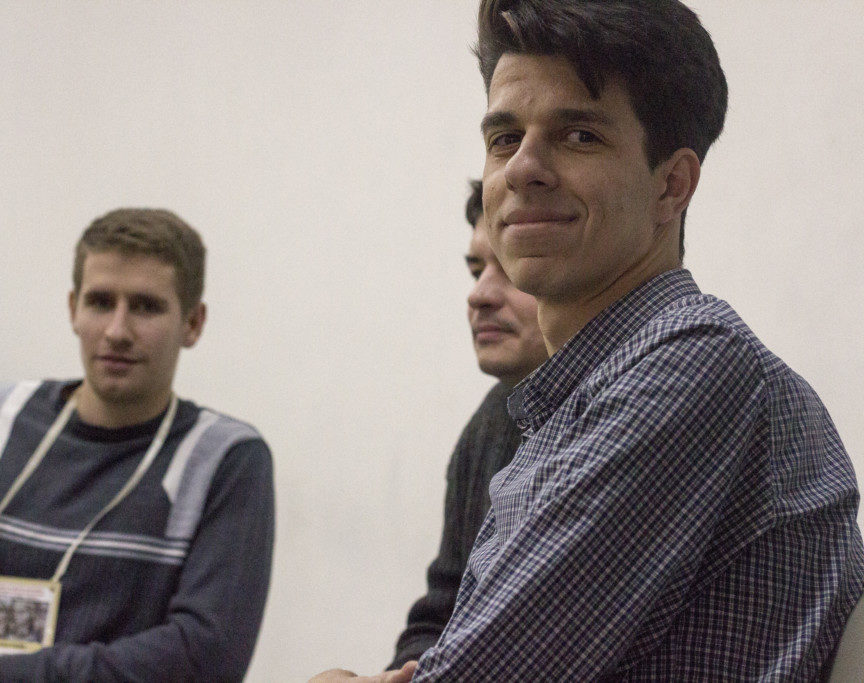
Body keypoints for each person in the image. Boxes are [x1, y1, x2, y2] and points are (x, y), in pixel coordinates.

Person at [315, 1, 864, 680]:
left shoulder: (693, 368)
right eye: (503, 138)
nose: (522, 168)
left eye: (579, 135)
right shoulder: (572, 396)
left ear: (672, 185)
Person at [0, 208, 275, 682]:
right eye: (100, 302)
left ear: (193, 322)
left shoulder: (225, 460)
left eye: (146, 307)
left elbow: (206, 656)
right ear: (73, 309)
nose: (117, 331)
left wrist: (2, 675)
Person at [387, 180, 545, 669]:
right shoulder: (493, 420)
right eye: (476, 270)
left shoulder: (632, 410)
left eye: (512, 270)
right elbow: (441, 614)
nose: (479, 295)